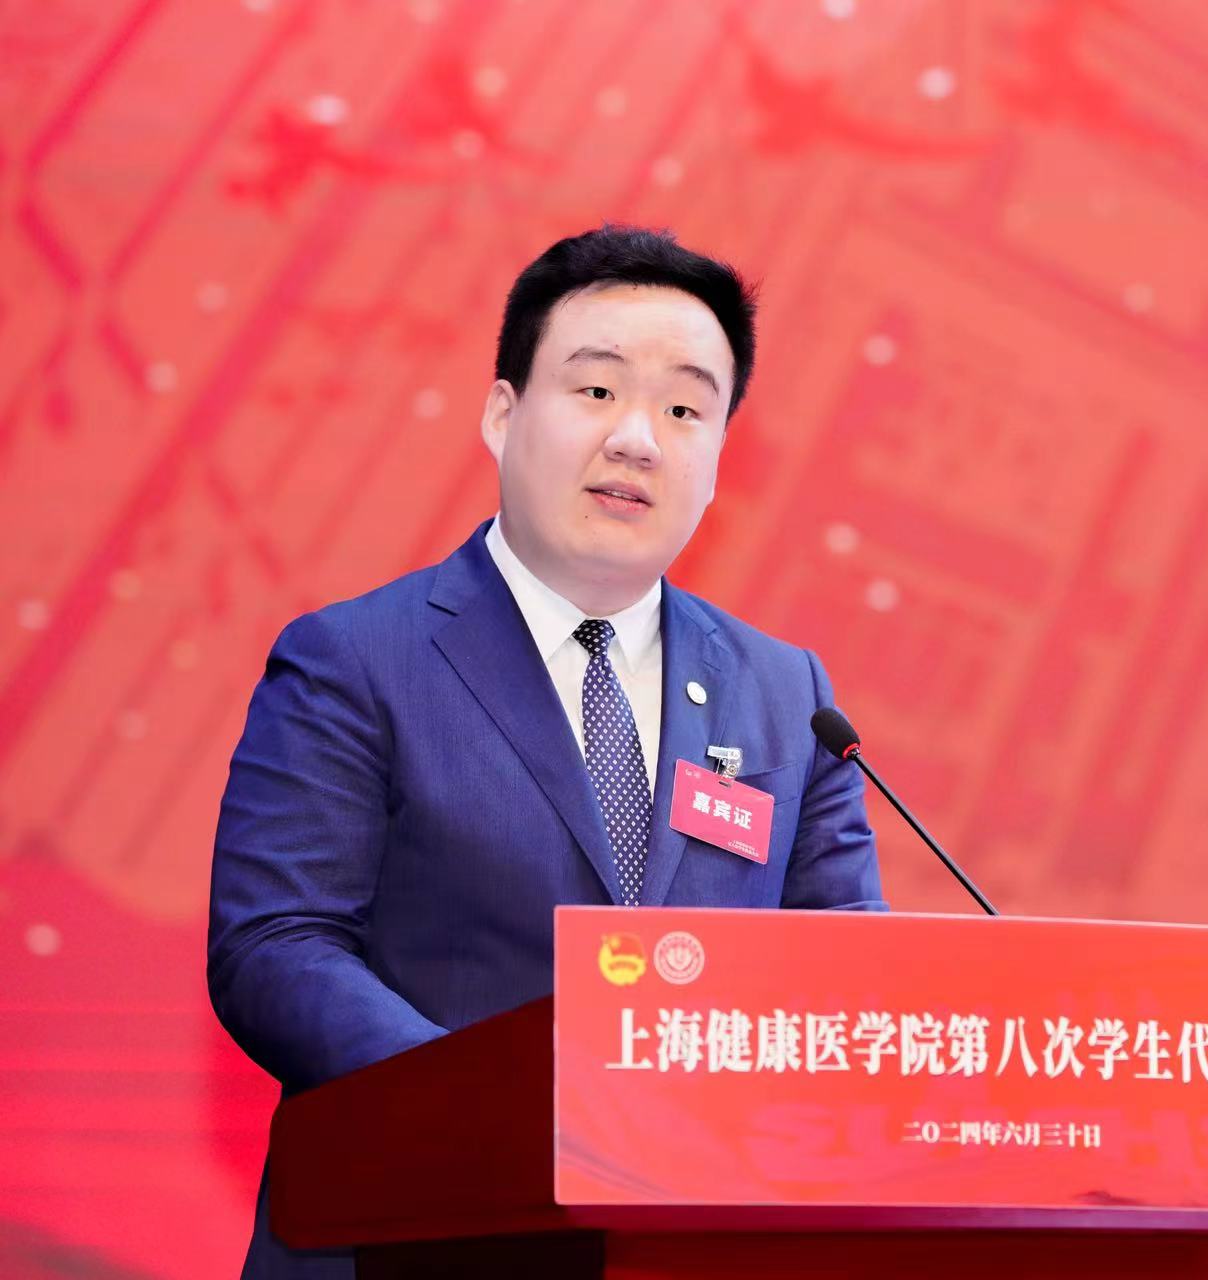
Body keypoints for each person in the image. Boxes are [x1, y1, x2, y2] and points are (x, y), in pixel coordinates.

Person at [207, 225, 885, 1278]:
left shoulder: (786, 694)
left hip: (693, 1245)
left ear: (719, 457)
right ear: (502, 413)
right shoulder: (354, 659)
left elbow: (848, 973)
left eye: (685, 410)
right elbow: (277, 944)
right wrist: (500, 1111)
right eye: (598, 390)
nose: (639, 440)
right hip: (417, 1235)